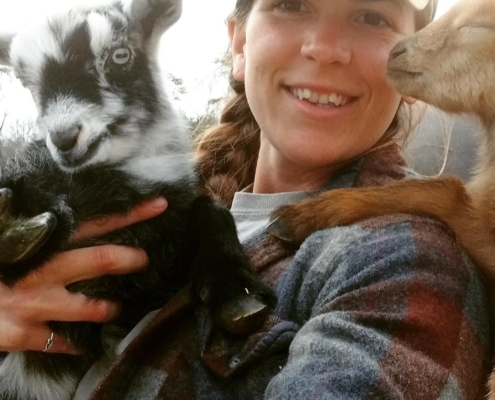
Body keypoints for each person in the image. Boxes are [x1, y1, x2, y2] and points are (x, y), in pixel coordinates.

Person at [0, 0, 490, 398]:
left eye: (370, 16)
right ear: (238, 42)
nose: (325, 48)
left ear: (412, 61)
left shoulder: (404, 260)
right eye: (292, 5)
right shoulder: (170, 212)